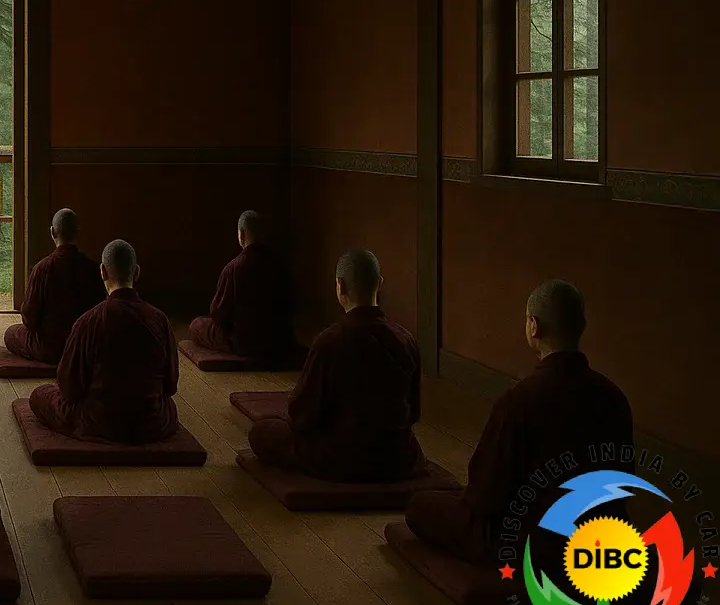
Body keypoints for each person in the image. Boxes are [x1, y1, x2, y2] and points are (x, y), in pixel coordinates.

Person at [405, 280, 633, 565]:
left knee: (421, 506)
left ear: (534, 327)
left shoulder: (519, 400)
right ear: (582, 326)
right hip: (599, 538)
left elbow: (484, 499)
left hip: (533, 542)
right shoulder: (614, 398)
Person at [247, 249, 424, 482]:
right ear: (379, 285)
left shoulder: (330, 341)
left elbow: (303, 415)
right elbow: (413, 412)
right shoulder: (406, 339)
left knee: (261, 433)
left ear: (340, 287)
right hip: (397, 458)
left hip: (342, 457)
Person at [29, 239, 179, 444]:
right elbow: (170, 386)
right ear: (136, 272)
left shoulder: (88, 322)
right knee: (168, 405)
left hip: (99, 422)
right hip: (152, 423)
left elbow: (69, 389)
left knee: (40, 395)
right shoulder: (159, 320)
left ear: (103, 272)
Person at [187, 210, 301, 365]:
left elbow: (218, 314)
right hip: (278, 340)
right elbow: (292, 304)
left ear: (241, 234)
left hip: (244, 343)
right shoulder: (280, 264)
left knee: (197, 325)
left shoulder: (234, 267)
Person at [4, 208, 106, 364]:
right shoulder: (93, 268)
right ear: (77, 232)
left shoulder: (42, 268)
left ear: (52, 232)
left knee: (11, 333)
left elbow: (30, 319)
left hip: (50, 348)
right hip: (82, 348)